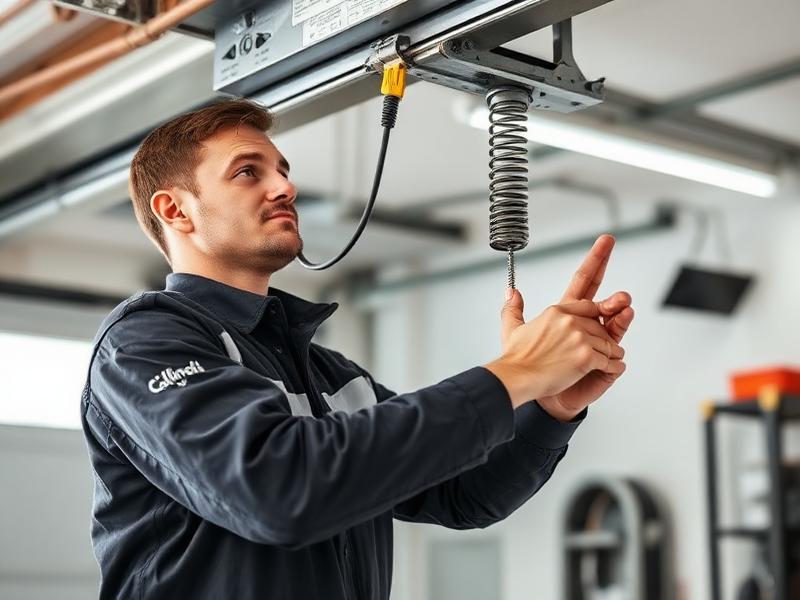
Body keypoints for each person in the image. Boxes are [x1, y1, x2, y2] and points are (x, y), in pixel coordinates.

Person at [81, 99, 634, 599]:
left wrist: (548, 406)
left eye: (282, 171)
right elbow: (281, 488)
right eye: (248, 172)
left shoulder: (330, 374)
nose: (284, 187)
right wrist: (514, 372)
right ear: (176, 211)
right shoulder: (143, 343)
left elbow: (465, 494)